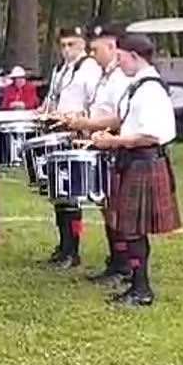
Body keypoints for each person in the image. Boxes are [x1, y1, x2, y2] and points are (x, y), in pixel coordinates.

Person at [90, 33, 182, 307]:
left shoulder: (151, 89)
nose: (118, 63)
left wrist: (112, 141)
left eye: (121, 57)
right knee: (129, 227)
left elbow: (150, 135)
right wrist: (88, 124)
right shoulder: (138, 86)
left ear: (134, 56)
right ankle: (136, 282)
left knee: (133, 229)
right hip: (134, 161)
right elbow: (125, 119)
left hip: (144, 160)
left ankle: (141, 290)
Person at [66, 23, 131, 285]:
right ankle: (116, 260)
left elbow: (120, 118)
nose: (93, 55)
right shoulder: (105, 76)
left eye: (96, 49)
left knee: (117, 209)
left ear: (112, 46)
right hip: (102, 146)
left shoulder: (121, 78)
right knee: (106, 206)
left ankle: (124, 264)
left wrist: (87, 125)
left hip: (117, 148)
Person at [46, 26, 103, 270]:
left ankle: (73, 248)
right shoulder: (60, 69)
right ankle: (63, 245)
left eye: (72, 44)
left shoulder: (89, 69)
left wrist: (82, 120)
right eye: (64, 45)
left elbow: (96, 102)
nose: (67, 50)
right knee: (59, 194)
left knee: (72, 196)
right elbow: (51, 98)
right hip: (57, 132)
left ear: (82, 44)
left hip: (77, 133)